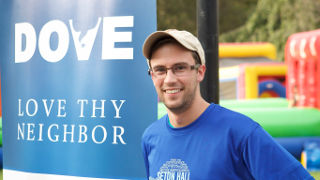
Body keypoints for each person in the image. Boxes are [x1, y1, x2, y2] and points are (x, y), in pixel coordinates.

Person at [141, 29, 314, 180]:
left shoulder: (241, 133)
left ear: (200, 72)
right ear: (152, 75)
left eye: (180, 68)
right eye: (160, 70)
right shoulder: (151, 137)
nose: (170, 79)